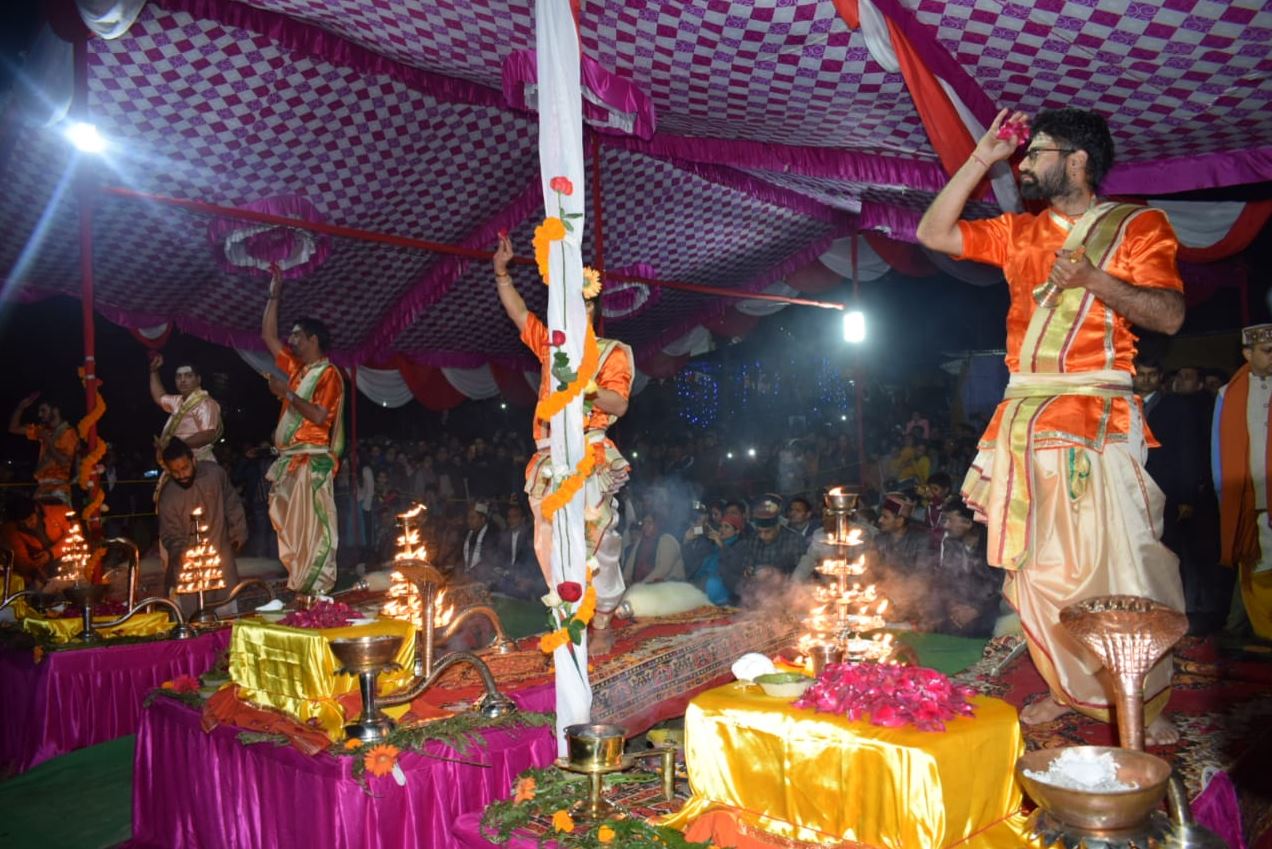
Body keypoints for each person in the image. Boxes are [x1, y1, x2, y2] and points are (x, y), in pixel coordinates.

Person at [917, 107, 1186, 745]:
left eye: (1036, 152)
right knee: (1038, 571)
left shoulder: (1138, 225)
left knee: (1120, 566)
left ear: (1078, 160)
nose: (1025, 163)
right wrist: (981, 157)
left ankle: (1140, 695)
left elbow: (1169, 315)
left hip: (1099, 419)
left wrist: (1095, 279)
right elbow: (933, 232)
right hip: (1025, 421)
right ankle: (1067, 686)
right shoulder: (1020, 232)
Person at [493, 235, 632, 627]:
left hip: (590, 454)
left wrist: (585, 389)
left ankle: (602, 618)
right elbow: (521, 315)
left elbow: (619, 404)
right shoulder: (552, 349)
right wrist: (501, 273)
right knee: (550, 543)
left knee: (599, 540)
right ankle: (569, 617)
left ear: (591, 307)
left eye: (581, 304)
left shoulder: (611, 352)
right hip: (550, 456)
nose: (572, 312)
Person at [260, 267, 346, 594]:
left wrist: (287, 394)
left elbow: (319, 416)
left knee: (314, 532)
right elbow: (268, 337)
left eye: (296, 335)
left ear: (313, 339)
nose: (290, 340)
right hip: (290, 463)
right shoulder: (298, 370)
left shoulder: (328, 374)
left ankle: (317, 592)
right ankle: (300, 589)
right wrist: (274, 295)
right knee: (291, 530)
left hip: (311, 463)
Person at [1135, 357, 1225, 634]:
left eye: (1152, 375)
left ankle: (1186, 610)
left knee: (1177, 552)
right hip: (1136, 493)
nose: (1146, 380)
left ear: (1161, 378)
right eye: (1142, 374)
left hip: (1169, 491)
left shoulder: (1175, 406)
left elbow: (1187, 451)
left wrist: (1187, 494)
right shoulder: (1122, 406)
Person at [1213, 324, 1272, 639]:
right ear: (1247, 354)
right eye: (1267, 352)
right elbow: (1218, 452)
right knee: (1254, 566)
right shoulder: (1229, 395)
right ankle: (1260, 632)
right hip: (1248, 498)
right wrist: (1226, 499)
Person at [157, 438, 247, 610]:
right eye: (175, 472)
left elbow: (232, 504)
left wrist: (238, 533)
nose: (182, 475)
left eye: (185, 468)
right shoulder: (168, 496)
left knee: (225, 613)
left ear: (193, 460)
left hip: (220, 555)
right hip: (189, 568)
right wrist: (182, 553)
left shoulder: (215, 475)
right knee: (192, 618)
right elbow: (170, 534)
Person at [931, 499, 1001, 637]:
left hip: (986, 609)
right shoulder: (950, 543)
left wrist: (976, 609)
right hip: (958, 607)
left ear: (968, 523)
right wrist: (953, 605)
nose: (945, 525)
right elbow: (945, 580)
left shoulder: (992, 545)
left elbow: (999, 586)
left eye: (950, 520)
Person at [148, 356, 222, 465]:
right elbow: (159, 397)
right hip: (179, 462)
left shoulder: (205, 403)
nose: (182, 380)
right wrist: (153, 371)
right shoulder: (178, 401)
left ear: (198, 379)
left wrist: (176, 445)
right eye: (178, 377)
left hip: (200, 463)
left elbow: (208, 434)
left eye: (188, 376)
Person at [8, 393, 79, 504]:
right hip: (42, 486)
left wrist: (47, 440)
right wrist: (20, 408)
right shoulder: (44, 430)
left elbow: (64, 460)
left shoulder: (68, 432)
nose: (39, 415)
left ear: (55, 410)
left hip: (58, 487)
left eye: (43, 410)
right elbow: (13, 428)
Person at [0, 496, 72, 586]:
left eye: (30, 520)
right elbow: (21, 560)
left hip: (68, 559)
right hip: (39, 569)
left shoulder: (58, 512)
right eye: (22, 523)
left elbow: (73, 536)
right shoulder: (10, 530)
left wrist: (51, 554)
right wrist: (35, 570)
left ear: (36, 509)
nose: (28, 525)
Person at [622, 513, 685, 585]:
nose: (645, 526)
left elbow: (662, 570)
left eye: (649, 523)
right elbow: (630, 565)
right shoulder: (641, 541)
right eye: (644, 523)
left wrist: (639, 587)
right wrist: (624, 582)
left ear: (658, 524)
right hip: (646, 589)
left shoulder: (668, 540)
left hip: (670, 590)